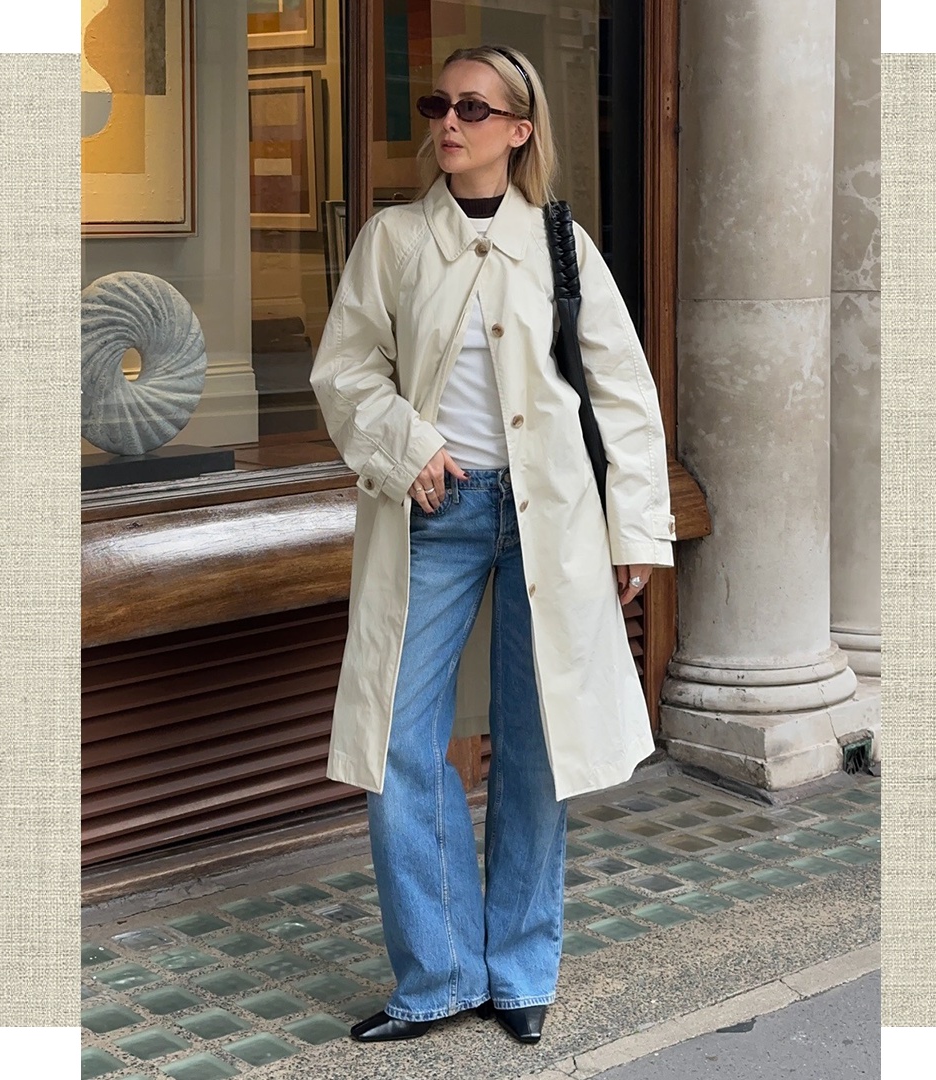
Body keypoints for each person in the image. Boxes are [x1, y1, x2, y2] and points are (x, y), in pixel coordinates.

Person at [308, 44, 676, 1047]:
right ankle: (437, 976)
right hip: (435, 510)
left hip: (547, 518)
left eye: (473, 107)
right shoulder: (390, 241)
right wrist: (405, 442)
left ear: (519, 130)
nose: (449, 122)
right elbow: (344, 374)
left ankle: (518, 973)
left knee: (533, 742)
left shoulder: (562, 246)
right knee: (397, 737)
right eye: (439, 104)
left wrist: (634, 526)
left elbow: (624, 395)